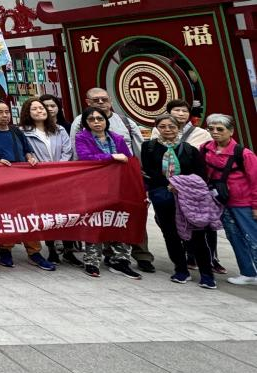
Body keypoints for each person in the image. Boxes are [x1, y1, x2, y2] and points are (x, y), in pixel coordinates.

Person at [71, 88, 155, 272]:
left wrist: (139, 176)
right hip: (94, 185)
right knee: (96, 219)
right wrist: (111, 158)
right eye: (92, 119)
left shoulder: (120, 132)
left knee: (122, 217)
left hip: (120, 184)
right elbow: (82, 157)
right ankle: (93, 259)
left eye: (100, 118)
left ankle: (124, 259)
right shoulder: (81, 133)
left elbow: (131, 156)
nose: (96, 121)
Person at [141, 115, 216, 289]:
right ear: (157, 128)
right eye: (163, 126)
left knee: (197, 234)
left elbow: (200, 175)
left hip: (188, 198)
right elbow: (150, 172)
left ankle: (206, 273)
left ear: (179, 128)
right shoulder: (149, 147)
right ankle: (181, 269)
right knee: (170, 234)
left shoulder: (190, 150)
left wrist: (180, 185)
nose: (167, 130)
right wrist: (168, 185)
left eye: (171, 126)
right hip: (163, 196)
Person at [0, 100, 52, 271]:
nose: (4, 115)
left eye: (7, 112)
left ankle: (34, 252)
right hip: (0, 181)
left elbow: (27, 150)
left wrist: (30, 157)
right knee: (6, 216)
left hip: (22, 180)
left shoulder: (16, 132)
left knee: (28, 215)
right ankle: (5, 250)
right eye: (0, 112)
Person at [201, 114, 257, 286]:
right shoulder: (205, 149)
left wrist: (255, 205)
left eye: (220, 129)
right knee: (234, 236)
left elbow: (255, 180)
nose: (215, 132)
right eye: (211, 129)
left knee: (253, 237)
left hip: (244, 203)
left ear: (231, 131)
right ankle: (247, 272)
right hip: (222, 202)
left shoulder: (244, 154)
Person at [20, 97, 73, 262]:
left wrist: (58, 168)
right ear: (27, 113)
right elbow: (26, 152)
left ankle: (69, 250)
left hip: (61, 177)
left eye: (41, 108)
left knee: (66, 214)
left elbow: (68, 152)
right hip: (40, 179)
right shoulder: (23, 132)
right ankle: (52, 249)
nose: (40, 111)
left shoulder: (59, 130)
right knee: (48, 215)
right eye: (34, 109)